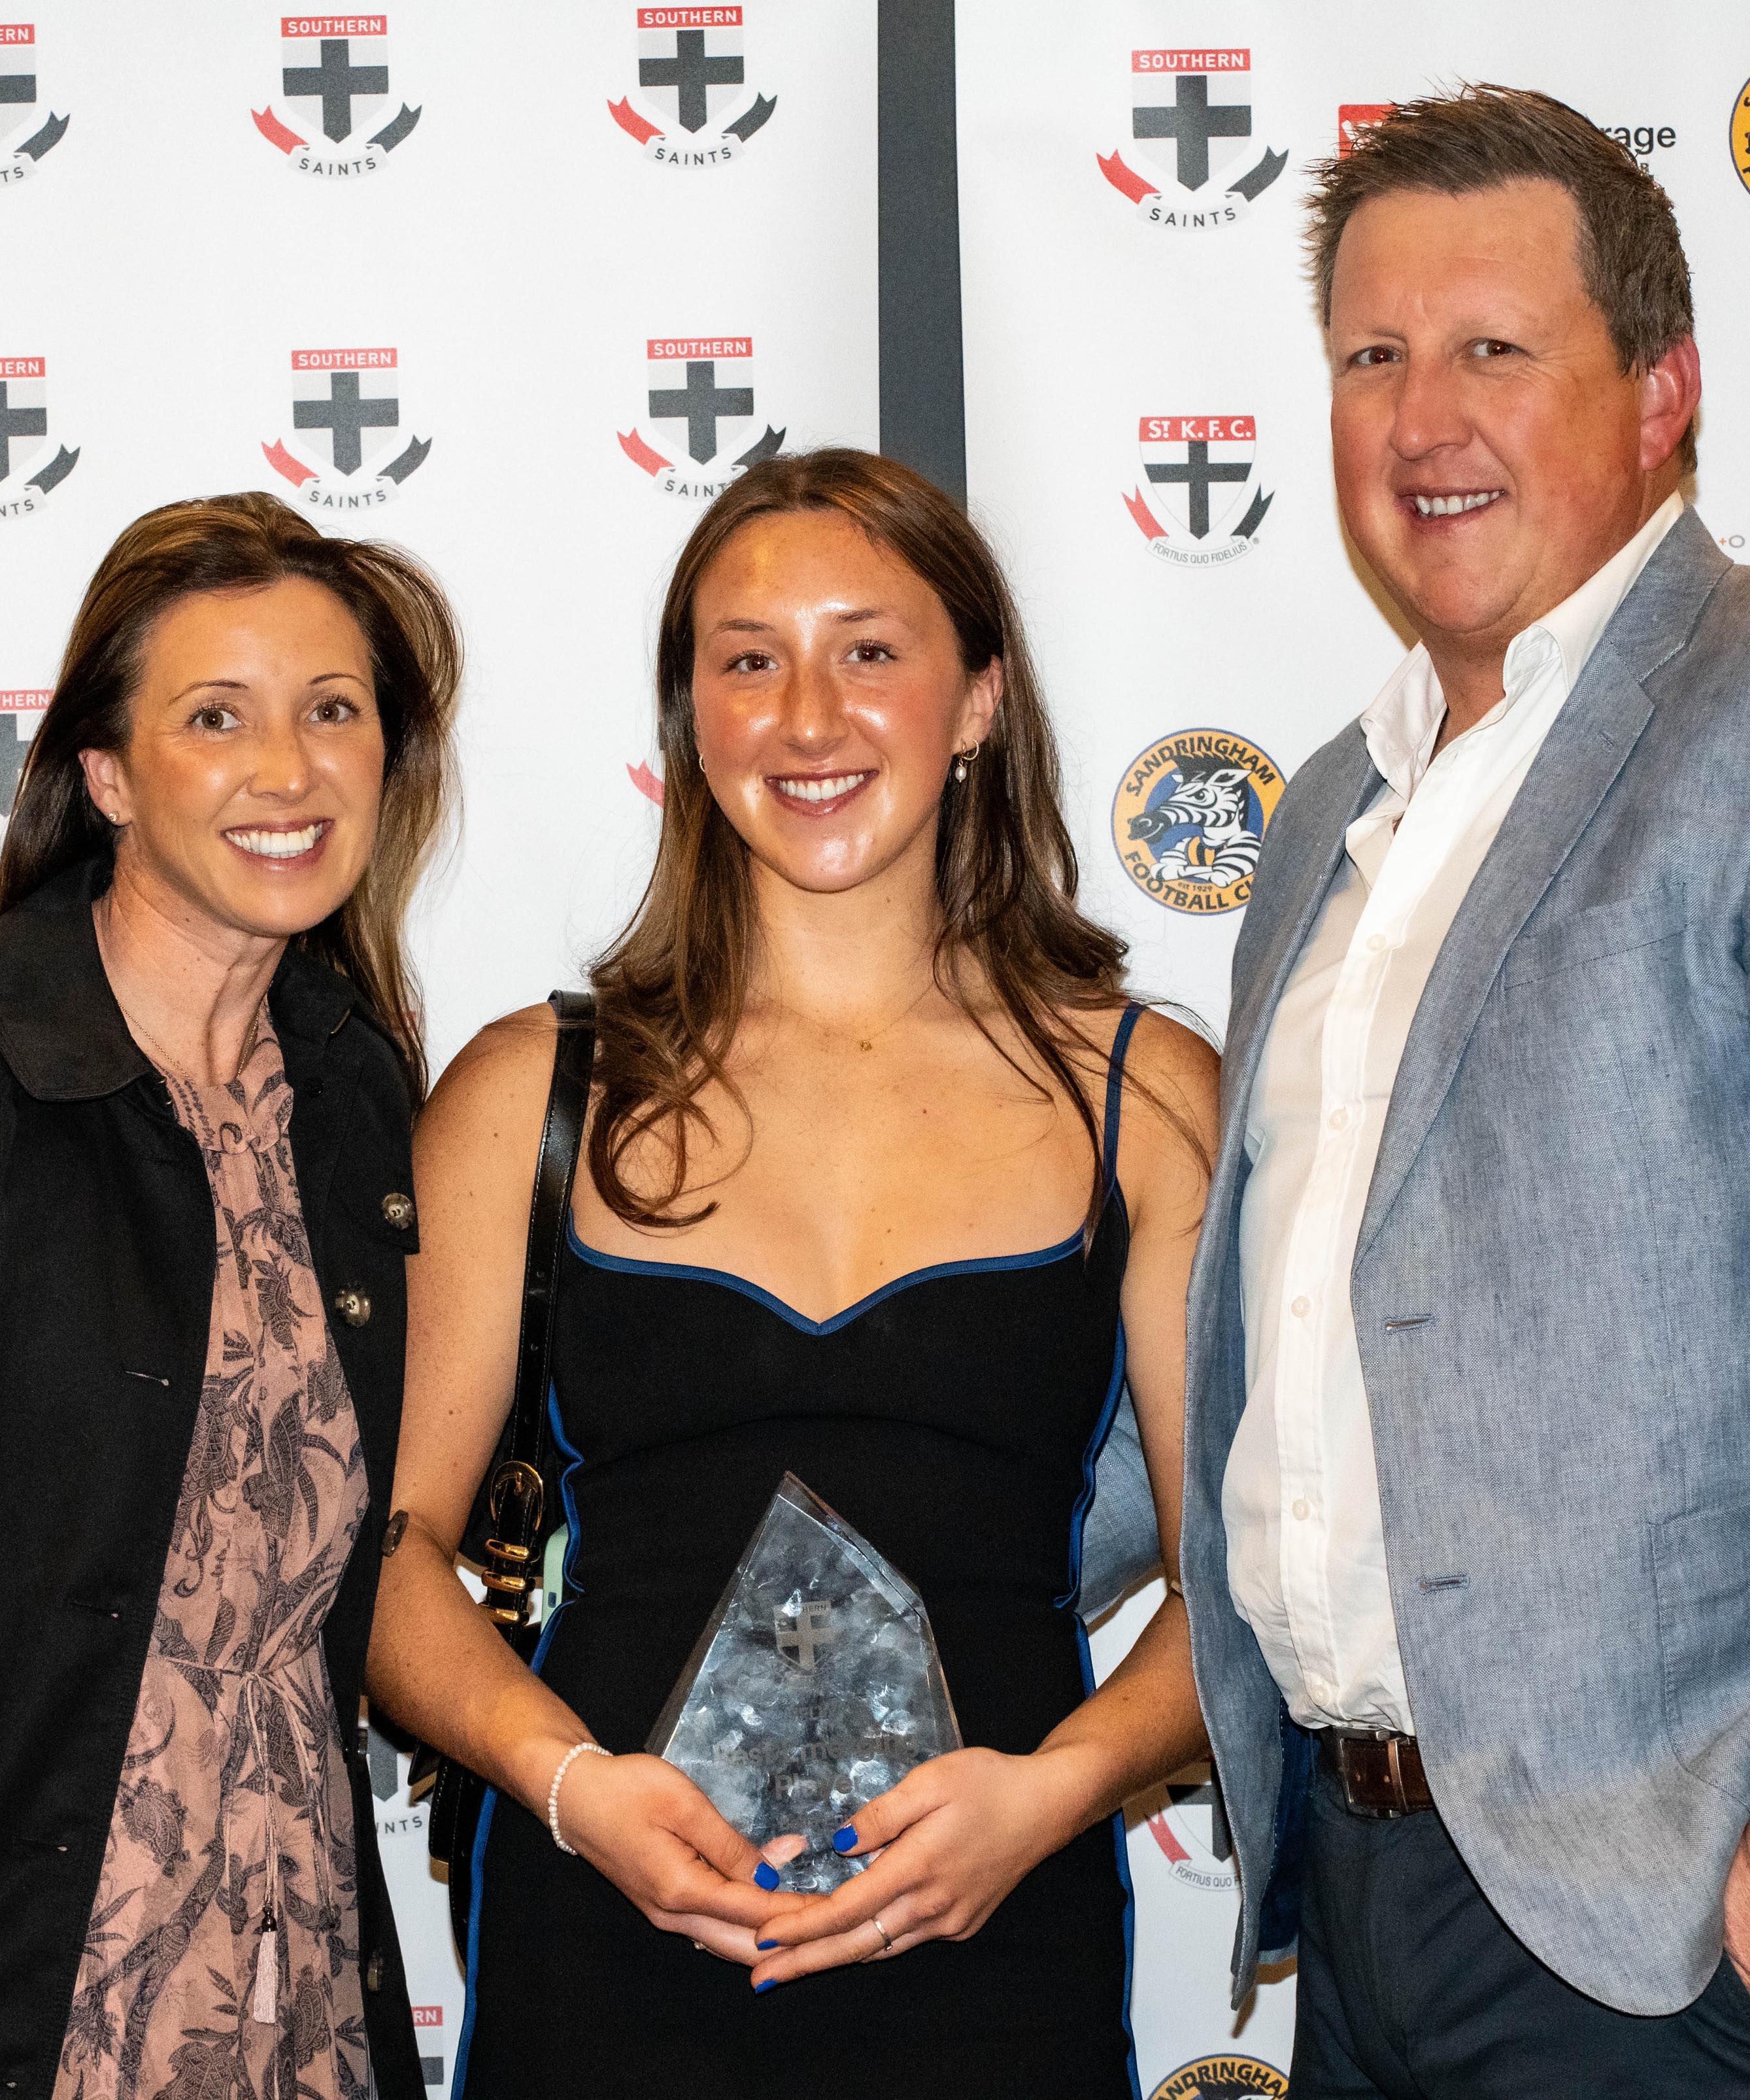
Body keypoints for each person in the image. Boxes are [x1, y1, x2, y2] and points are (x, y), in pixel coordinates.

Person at [1176, 88, 1750, 2097]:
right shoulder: (1334, 806)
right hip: (1369, 1878)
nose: (1424, 419)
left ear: (1664, 391)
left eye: (1494, 349)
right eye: (1373, 356)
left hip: (1695, 1910)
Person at [367, 448, 1215, 2097]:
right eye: (747, 661)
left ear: (977, 700)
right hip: (605, 1947)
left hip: (993, 1958)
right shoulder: (531, 1092)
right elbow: (389, 1558)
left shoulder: (1144, 1096)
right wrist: (567, 1787)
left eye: (868, 651)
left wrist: (1048, 1795)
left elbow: (1230, 1595)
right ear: (690, 718)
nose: (807, 718)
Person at [0, 492, 462, 2100]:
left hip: (305, 2016)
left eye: (334, 710)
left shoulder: (357, 1105)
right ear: (108, 774)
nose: (290, 768)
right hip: (11, 2030)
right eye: (217, 717)